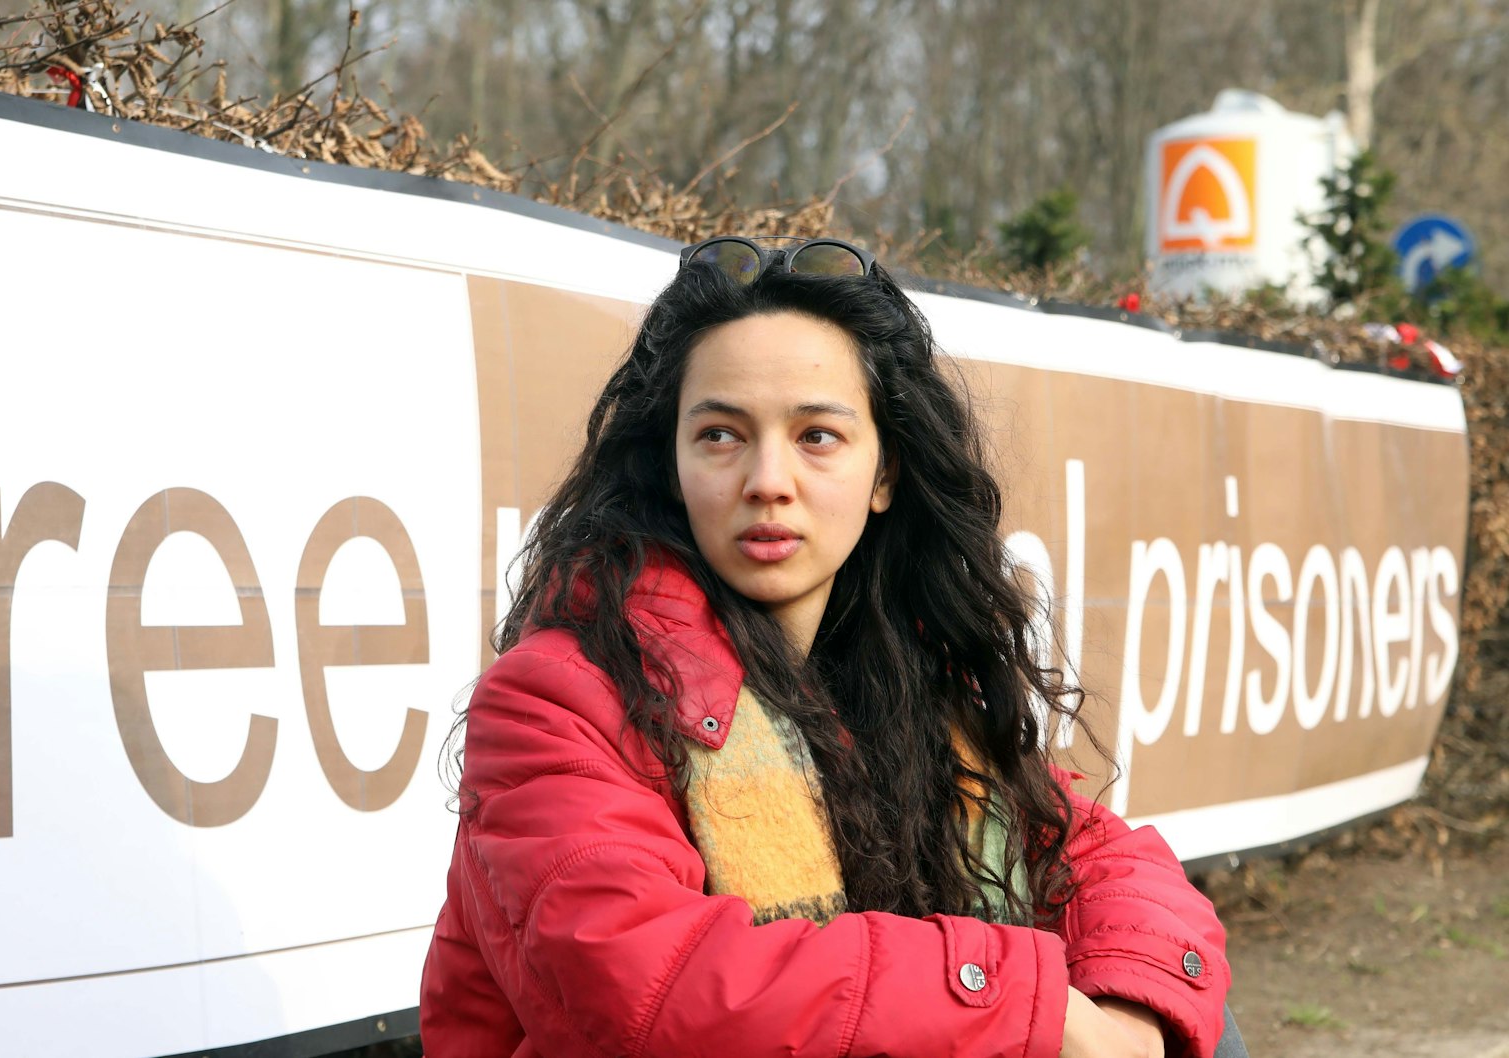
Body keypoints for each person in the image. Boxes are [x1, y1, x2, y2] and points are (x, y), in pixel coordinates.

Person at [420, 236, 1236, 1057]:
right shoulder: (557, 697)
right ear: (671, 466)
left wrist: (1131, 1007)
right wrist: (1035, 1008)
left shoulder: (903, 678)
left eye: (816, 436)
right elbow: (647, 990)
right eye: (720, 435)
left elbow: (1095, 855)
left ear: (884, 475)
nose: (767, 481)